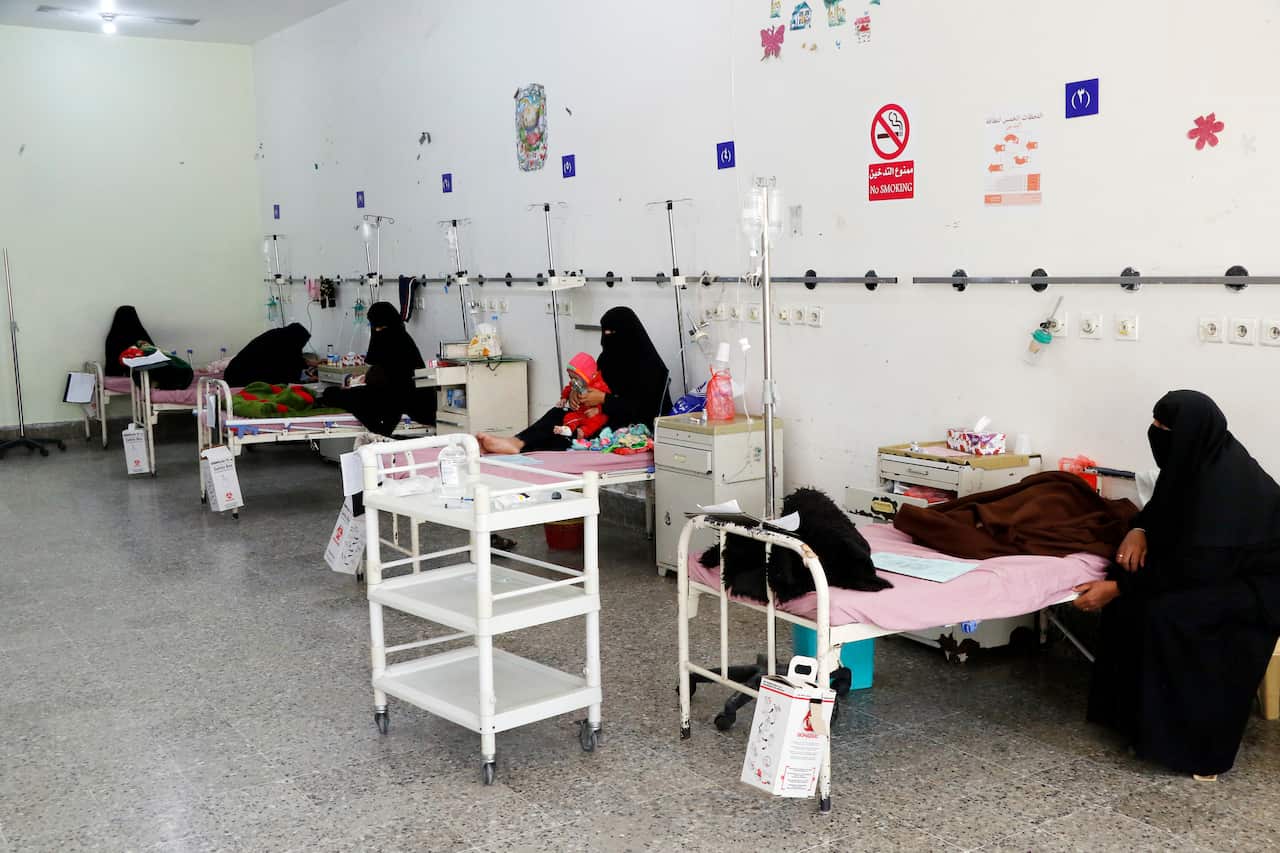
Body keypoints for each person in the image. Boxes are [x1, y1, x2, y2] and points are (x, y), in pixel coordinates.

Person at [1074, 390, 1280, 779]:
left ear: (1190, 432)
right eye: (1154, 423)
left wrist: (1117, 591)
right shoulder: (1194, 459)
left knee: (1166, 615)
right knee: (1129, 589)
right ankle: (1133, 723)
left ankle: (1196, 749)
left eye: (1164, 427)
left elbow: (1197, 567)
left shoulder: (1226, 485)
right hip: (1213, 569)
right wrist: (1138, 528)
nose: (1155, 432)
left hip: (1256, 590)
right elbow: (1164, 508)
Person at [478, 306, 670, 454]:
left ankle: (522, 447)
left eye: (613, 333)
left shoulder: (651, 368)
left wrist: (604, 400)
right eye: (605, 332)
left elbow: (647, 410)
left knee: (574, 432)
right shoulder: (607, 359)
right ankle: (517, 441)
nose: (607, 338)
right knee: (562, 411)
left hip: (632, 423)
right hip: (600, 412)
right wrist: (577, 395)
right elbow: (595, 383)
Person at [321, 302, 434, 436]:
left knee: (340, 396)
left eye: (380, 326)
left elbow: (392, 383)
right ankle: (381, 431)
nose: (377, 330)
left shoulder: (396, 341)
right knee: (340, 394)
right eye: (375, 326)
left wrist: (364, 381)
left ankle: (380, 431)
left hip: (399, 396)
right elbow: (383, 374)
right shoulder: (403, 339)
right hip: (398, 395)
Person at [104, 305, 193, 390]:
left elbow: (111, 362)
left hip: (128, 371)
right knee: (172, 369)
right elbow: (152, 350)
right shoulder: (140, 332)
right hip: (144, 370)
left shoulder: (113, 336)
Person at [223, 323, 313, 387]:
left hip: (232, 374)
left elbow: (294, 355)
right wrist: (306, 381)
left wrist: (313, 363)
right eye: (302, 343)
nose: (301, 347)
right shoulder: (281, 343)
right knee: (278, 377)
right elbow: (290, 363)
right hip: (239, 378)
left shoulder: (279, 335)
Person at [553, 352, 611, 440]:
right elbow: (568, 389)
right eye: (570, 377)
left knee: (596, 421)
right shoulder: (576, 384)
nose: (572, 381)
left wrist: (598, 410)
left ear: (588, 376)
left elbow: (606, 399)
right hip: (580, 411)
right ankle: (567, 429)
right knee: (570, 416)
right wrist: (564, 398)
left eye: (575, 378)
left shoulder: (600, 385)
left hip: (594, 413)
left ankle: (583, 432)